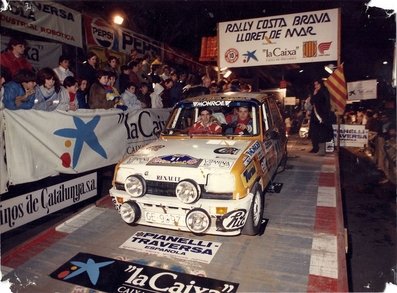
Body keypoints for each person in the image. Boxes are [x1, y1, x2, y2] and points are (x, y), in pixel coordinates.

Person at [308, 79, 333, 155]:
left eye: (317, 84)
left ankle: (321, 150)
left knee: (321, 133)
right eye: (315, 85)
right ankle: (315, 148)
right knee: (314, 132)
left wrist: (315, 96)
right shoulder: (316, 92)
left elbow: (324, 103)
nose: (316, 86)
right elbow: (312, 102)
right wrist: (314, 94)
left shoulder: (324, 91)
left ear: (321, 84)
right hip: (315, 115)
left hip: (322, 115)